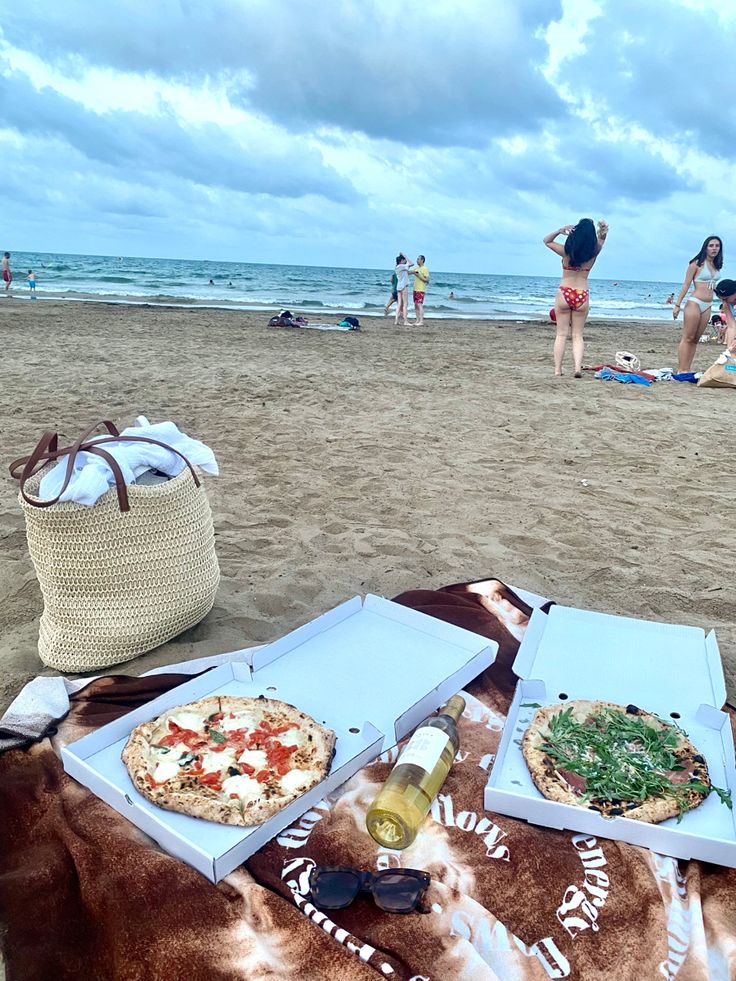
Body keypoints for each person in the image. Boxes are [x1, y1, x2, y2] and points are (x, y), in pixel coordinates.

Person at [543, 218, 608, 377]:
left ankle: (558, 370)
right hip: (582, 294)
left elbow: (546, 241)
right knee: (578, 335)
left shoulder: (566, 251)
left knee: (561, 334)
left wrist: (561, 230)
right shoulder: (594, 252)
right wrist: (603, 229)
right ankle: (577, 368)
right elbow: (601, 238)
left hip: (565, 292)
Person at [672, 236, 723, 372]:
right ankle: (681, 369)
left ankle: (687, 368)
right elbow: (686, 285)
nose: (714, 248)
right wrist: (677, 305)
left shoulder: (716, 265)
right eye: (711, 245)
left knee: (695, 339)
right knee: (688, 337)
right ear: (705, 247)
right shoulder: (696, 264)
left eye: (717, 246)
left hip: (708, 305)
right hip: (695, 303)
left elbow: (715, 288)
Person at [409, 255, 430, 326]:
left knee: (419, 304)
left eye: (418, 259)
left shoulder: (425, 268)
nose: (417, 260)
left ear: (422, 260)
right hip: (415, 289)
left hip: (420, 289)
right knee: (415, 305)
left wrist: (418, 275)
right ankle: (417, 320)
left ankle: (421, 321)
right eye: (417, 259)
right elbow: (409, 272)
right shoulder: (417, 268)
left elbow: (427, 280)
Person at [715, 280, 736, 350]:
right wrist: (729, 348)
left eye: (726, 298)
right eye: (721, 299)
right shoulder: (726, 304)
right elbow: (731, 326)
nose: (724, 301)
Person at [394, 253, 411, 326]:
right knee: (405, 304)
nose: (405, 261)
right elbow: (411, 263)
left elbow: (407, 270)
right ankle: (405, 321)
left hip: (399, 287)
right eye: (404, 260)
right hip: (404, 286)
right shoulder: (401, 266)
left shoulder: (397, 267)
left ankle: (396, 320)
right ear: (401, 260)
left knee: (399, 304)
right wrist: (405, 255)